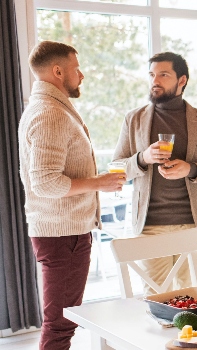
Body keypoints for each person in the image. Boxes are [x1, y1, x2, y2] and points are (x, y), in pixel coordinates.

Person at [18, 40, 125, 350]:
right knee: (60, 326)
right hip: (62, 235)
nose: (82, 75)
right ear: (57, 71)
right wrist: (98, 183)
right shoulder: (50, 112)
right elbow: (46, 183)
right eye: (77, 69)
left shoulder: (50, 107)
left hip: (65, 233)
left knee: (61, 323)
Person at [113, 52, 197, 295]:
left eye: (163, 75)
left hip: (191, 223)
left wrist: (191, 169)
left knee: (190, 297)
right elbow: (116, 167)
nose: (155, 80)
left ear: (182, 80)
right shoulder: (133, 119)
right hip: (150, 224)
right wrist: (143, 158)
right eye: (152, 75)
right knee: (155, 298)